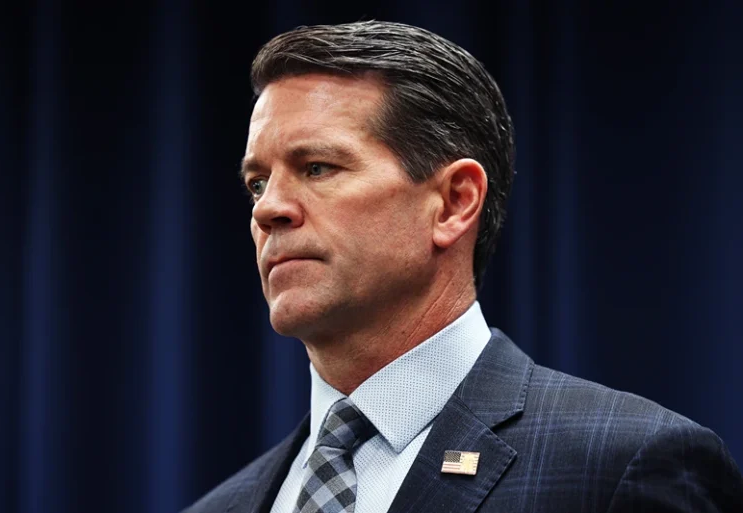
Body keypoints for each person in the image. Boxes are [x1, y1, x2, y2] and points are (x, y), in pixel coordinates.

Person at [183, 20, 743, 513]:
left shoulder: (622, 468)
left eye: (318, 167)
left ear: (454, 203)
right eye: (257, 182)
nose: (269, 209)